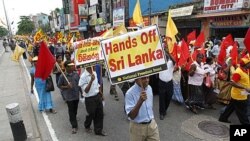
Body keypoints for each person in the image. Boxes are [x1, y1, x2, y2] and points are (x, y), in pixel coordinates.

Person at [125, 76, 160, 141]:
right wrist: (140, 101)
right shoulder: (129, 93)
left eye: (148, 77)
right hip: (137, 128)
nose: (147, 80)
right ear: (136, 79)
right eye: (143, 78)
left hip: (152, 125)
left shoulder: (149, 88)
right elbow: (132, 116)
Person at [219, 57, 250, 124]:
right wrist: (245, 87)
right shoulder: (238, 72)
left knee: (230, 107)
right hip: (239, 95)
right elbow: (232, 83)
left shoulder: (245, 69)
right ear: (246, 64)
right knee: (242, 112)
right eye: (249, 63)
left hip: (240, 94)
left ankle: (223, 118)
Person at [78, 66, 107, 136]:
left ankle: (98, 130)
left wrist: (101, 94)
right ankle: (87, 125)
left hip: (97, 96)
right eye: (92, 65)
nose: (94, 66)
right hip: (89, 98)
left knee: (100, 113)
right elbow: (86, 90)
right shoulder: (83, 77)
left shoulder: (94, 73)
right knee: (91, 114)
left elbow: (97, 85)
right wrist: (91, 80)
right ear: (87, 66)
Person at [58, 61, 80, 134]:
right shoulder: (62, 76)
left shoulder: (76, 74)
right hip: (69, 96)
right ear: (66, 67)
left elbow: (79, 84)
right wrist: (66, 86)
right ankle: (74, 126)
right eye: (70, 66)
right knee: (71, 111)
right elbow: (59, 85)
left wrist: (82, 93)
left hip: (76, 96)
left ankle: (74, 118)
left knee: (75, 109)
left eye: (72, 66)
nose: (72, 67)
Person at [158, 51, 176, 120]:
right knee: (162, 98)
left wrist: (168, 52)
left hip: (169, 83)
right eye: (163, 56)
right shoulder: (159, 64)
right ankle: (161, 113)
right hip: (161, 83)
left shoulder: (171, 63)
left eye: (166, 56)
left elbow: (174, 61)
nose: (164, 57)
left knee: (169, 96)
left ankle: (164, 109)